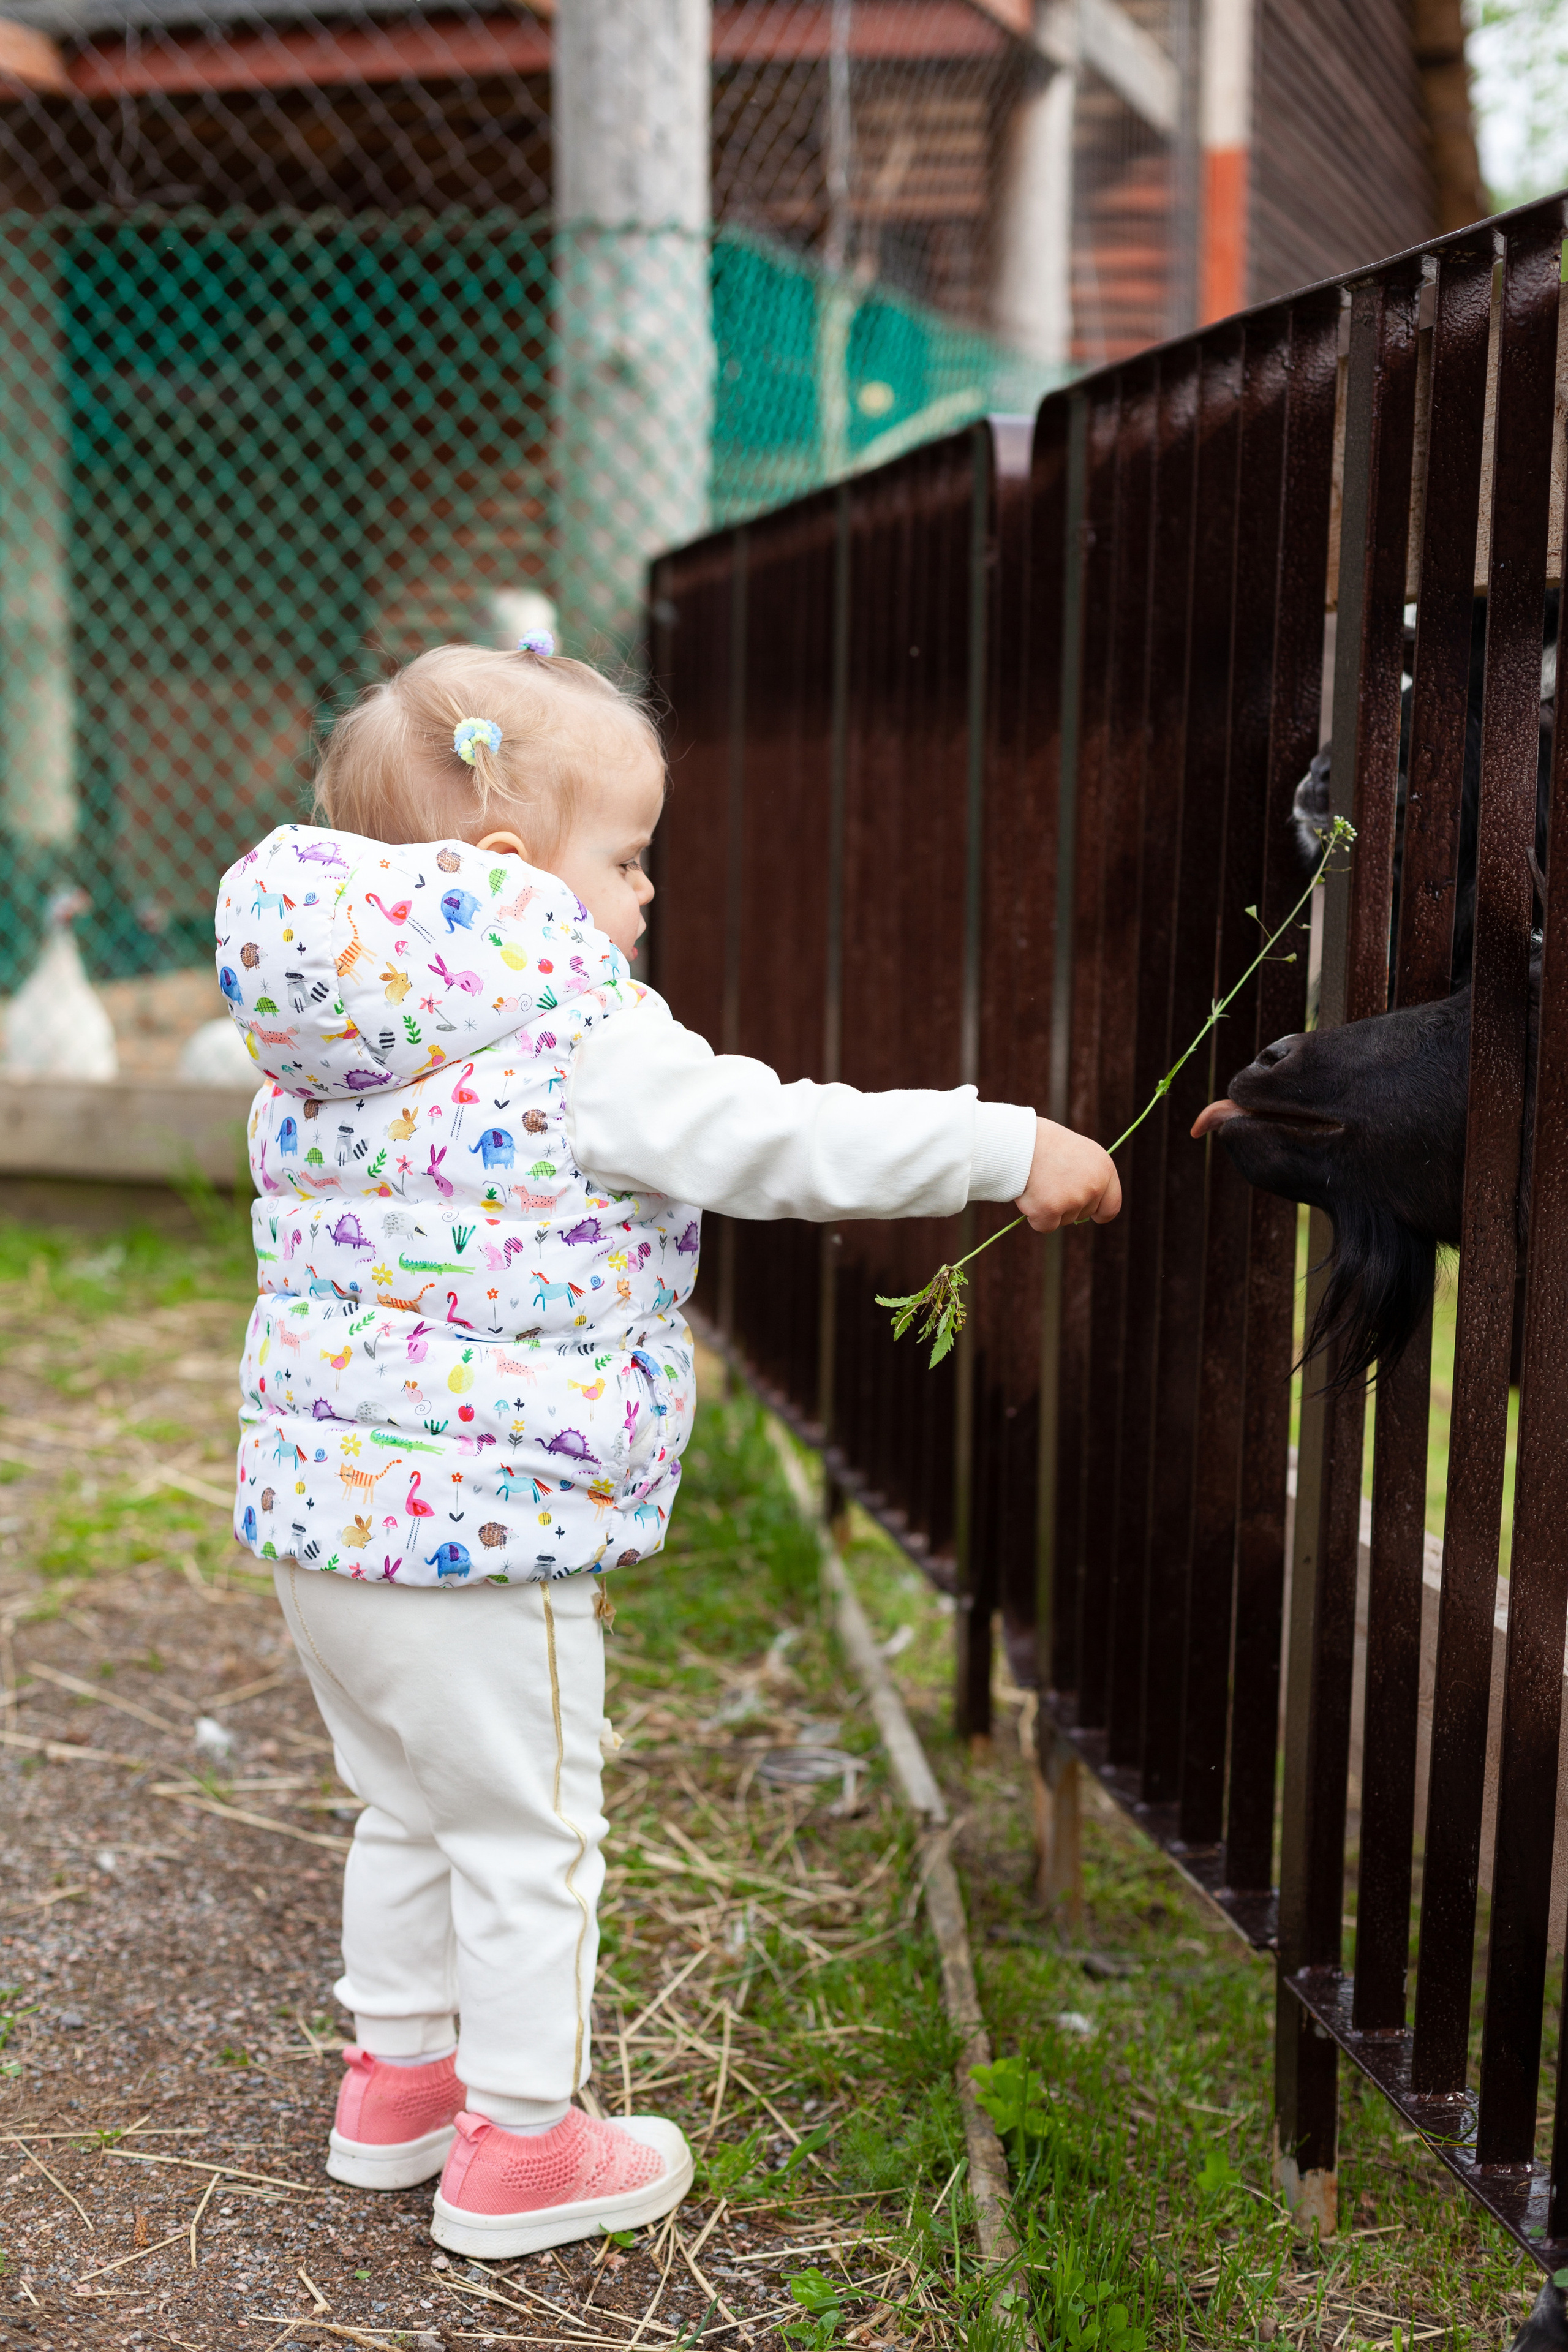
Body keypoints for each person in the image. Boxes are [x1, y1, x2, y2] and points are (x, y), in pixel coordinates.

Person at [215, 638, 1120, 2260]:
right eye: (628, 859)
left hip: (324, 1529)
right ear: (510, 867)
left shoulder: (322, 1040)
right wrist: (1002, 1142)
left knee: (407, 1808)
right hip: (488, 1538)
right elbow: (782, 1135)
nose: (645, 895)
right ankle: (525, 2146)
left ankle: (399, 2089)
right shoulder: (578, 1036)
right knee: (531, 1836)